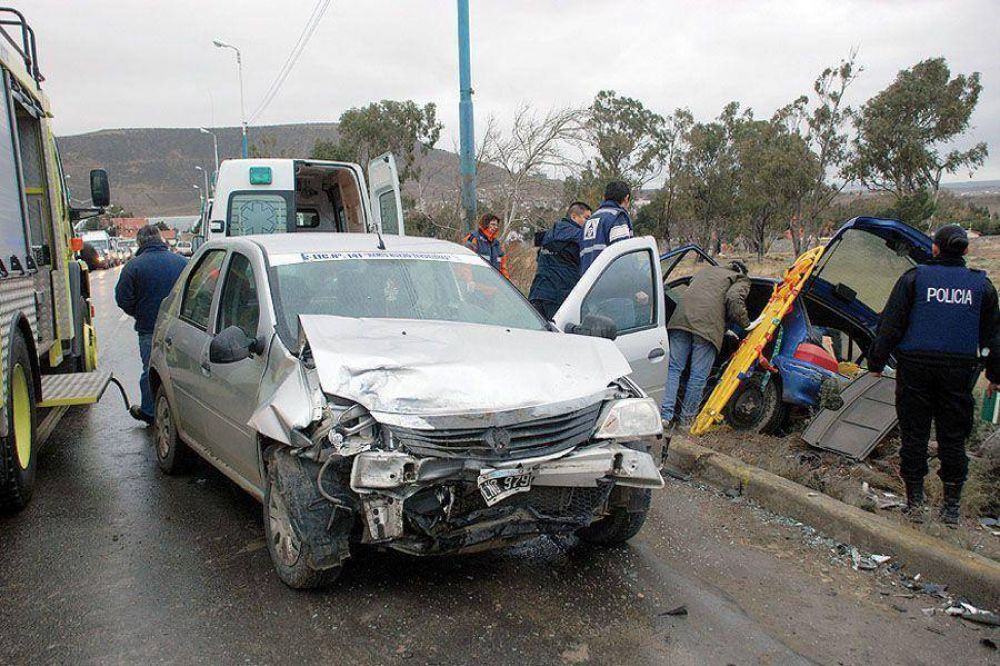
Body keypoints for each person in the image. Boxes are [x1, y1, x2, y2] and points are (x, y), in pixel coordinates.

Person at [868, 224, 1000, 524]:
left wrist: (875, 363)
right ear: (965, 250)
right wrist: (995, 375)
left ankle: (914, 505)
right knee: (953, 439)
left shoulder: (915, 279)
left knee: (914, 435)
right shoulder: (982, 286)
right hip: (959, 372)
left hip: (915, 368)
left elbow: (891, 325)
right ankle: (951, 509)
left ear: (935, 249)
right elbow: (993, 337)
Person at [660, 260, 751, 426]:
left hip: (681, 319)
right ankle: (686, 421)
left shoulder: (706, 271)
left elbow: (698, 293)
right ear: (743, 272)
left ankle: (664, 416)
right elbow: (734, 300)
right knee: (698, 376)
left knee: (674, 368)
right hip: (706, 328)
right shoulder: (740, 279)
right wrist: (747, 324)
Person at [115, 225, 188, 425]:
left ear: (140, 243)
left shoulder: (134, 267)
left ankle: (150, 412)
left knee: (151, 370)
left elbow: (123, 299)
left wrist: (139, 312)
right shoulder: (183, 262)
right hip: (181, 328)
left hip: (149, 329)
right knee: (183, 370)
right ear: (161, 239)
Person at [527, 201, 591, 319]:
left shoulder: (548, 235)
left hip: (537, 293)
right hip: (561, 295)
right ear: (574, 216)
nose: (589, 223)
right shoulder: (579, 236)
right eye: (586, 218)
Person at [579, 181, 633, 275]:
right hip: (610, 281)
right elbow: (623, 256)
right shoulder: (617, 218)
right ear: (626, 198)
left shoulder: (590, 220)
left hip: (589, 283)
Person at [464, 213, 509, 279]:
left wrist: (507, 284)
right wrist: (468, 281)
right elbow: (465, 263)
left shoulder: (497, 245)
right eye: (493, 224)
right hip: (478, 284)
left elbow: (503, 268)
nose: (495, 227)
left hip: (495, 285)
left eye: (496, 225)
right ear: (485, 224)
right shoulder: (473, 239)